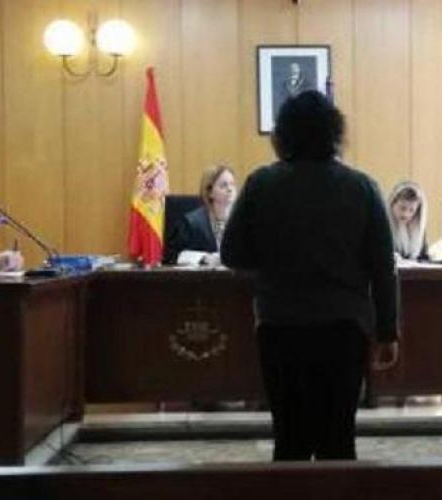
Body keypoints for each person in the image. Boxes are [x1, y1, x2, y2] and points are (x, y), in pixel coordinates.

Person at [221, 90, 399, 461]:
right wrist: (387, 331)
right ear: (335, 133)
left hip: (280, 325)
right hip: (345, 328)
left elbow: (231, 254)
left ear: (282, 135)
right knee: (339, 438)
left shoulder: (261, 184)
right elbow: (383, 267)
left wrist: (273, 259)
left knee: (289, 439)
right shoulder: (362, 187)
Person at [163, 164, 237, 266]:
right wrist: (204, 258)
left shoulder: (243, 220)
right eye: (223, 186)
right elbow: (172, 255)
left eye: (232, 184)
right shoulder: (191, 223)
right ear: (210, 192)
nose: (230, 189)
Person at [387, 181, 428, 261]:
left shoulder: (419, 229)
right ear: (392, 205)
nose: (405, 214)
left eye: (411, 210)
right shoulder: (382, 226)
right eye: (402, 208)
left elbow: (424, 257)